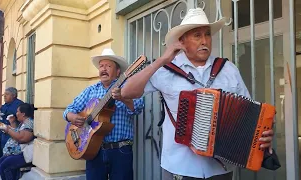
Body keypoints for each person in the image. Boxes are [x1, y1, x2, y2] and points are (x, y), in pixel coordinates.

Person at [120, 8, 275, 180]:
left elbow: (250, 116)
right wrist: (162, 60)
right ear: (182, 41)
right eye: (197, 35)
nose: (204, 41)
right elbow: (126, 92)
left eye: (207, 34)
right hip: (179, 168)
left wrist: (262, 135)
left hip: (221, 169)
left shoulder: (228, 69)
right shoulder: (165, 70)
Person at [63, 48, 144, 180]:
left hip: (120, 150)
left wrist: (123, 97)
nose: (103, 69)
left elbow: (139, 107)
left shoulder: (126, 87)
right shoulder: (90, 90)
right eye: (101, 66)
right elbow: (68, 110)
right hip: (93, 150)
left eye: (108, 65)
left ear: (118, 72)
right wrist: (73, 117)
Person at [0, 87, 24, 171]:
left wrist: (1, 108)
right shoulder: (6, 104)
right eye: (4, 94)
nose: (4, 96)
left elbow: (13, 112)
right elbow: (4, 115)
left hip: (13, 130)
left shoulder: (18, 104)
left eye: (7, 94)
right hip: (3, 129)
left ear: (13, 95)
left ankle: (0, 164)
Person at [0, 103, 35, 180]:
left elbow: (22, 138)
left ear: (23, 114)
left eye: (17, 111)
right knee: (1, 162)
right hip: (19, 153)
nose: (16, 114)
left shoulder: (29, 122)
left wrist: (7, 130)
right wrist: (10, 124)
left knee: (5, 166)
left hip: (24, 154)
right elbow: (18, 132)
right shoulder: (23, 123)